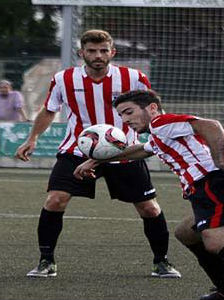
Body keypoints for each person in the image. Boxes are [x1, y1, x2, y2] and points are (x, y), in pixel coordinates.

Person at [15, 29, 180, 279]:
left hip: (125, 151)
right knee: (55, 200)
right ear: (82, 53)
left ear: (112, 52)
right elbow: (49, 110)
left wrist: (160, 137)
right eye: (92, 51)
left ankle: (162, 262)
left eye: (103, 51)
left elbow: (153, 109)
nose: (98, 56)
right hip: (76, 149)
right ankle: (46, 261)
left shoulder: (133, 77)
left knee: (149, 208)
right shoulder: (63, 79)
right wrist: (33, 138)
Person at [74, 89, 224, 300]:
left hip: (211, 181)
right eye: (121, 116)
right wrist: (98, 160)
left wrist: (221, 160)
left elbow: (211, 125)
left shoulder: (161, 123)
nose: (125, 120)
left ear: (152, 108)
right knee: (186, 233)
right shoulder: (158, 135)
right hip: (203, 187)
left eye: (129, 112)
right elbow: (141, 150)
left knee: (214, 241)